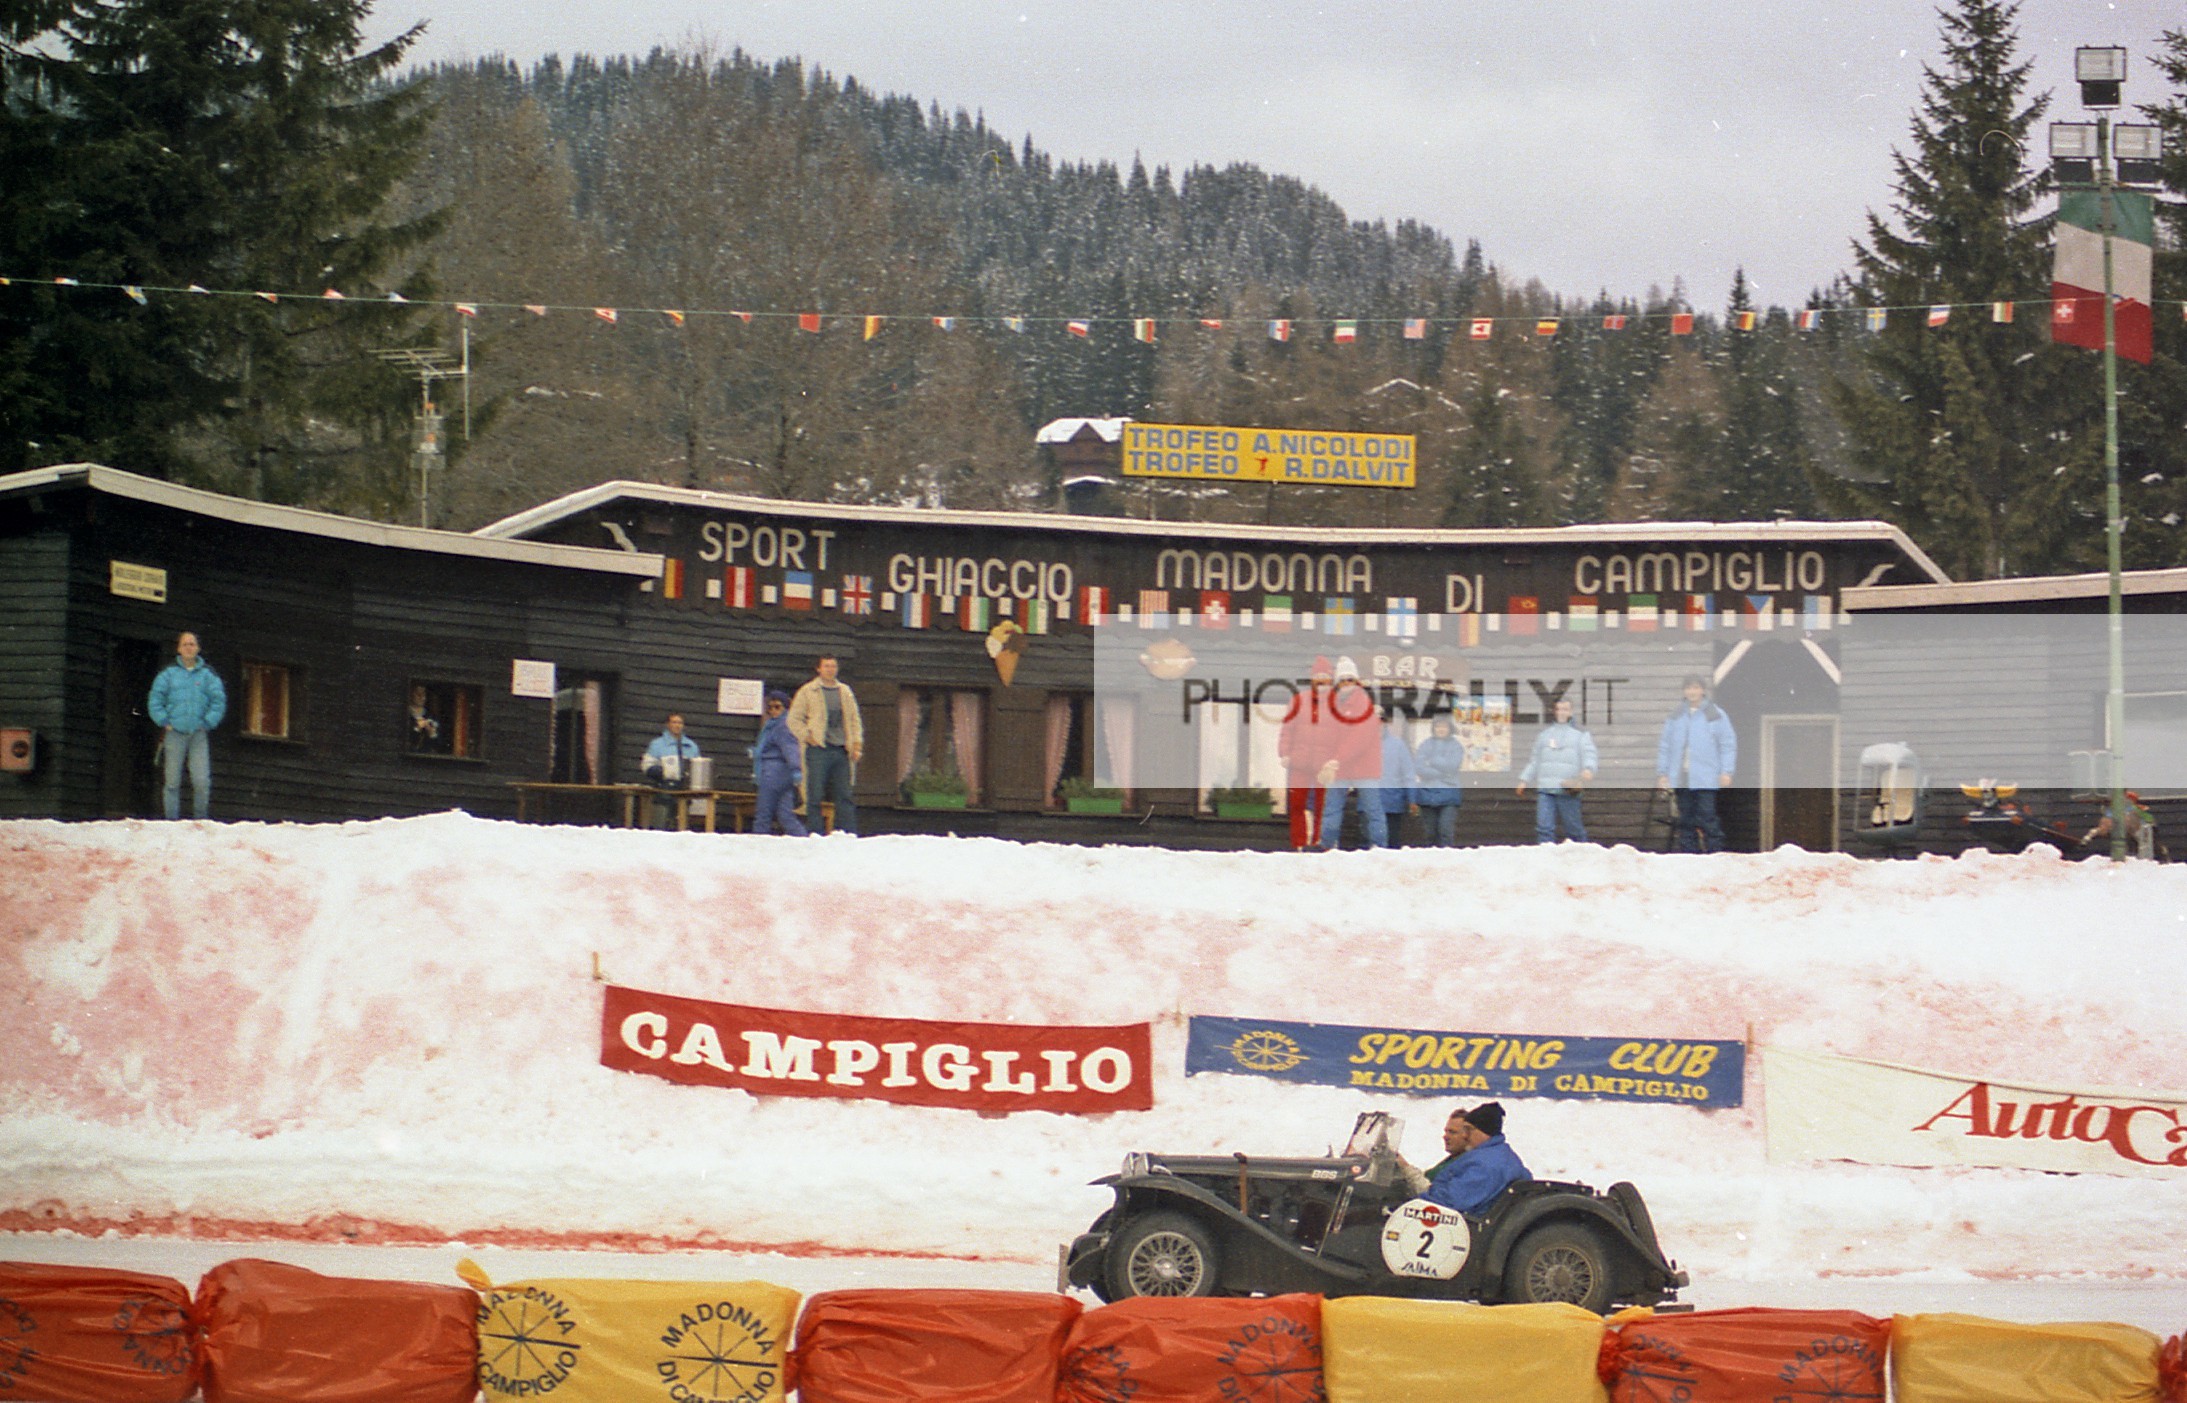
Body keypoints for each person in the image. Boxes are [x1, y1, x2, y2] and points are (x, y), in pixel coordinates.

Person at [1397, 1102, 1532, 1215]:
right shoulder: (1495, 1155)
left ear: (1483, 1131)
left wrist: (1410, 1202)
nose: (1465, 1136)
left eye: (1469, 1129)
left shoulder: (1486, 1164)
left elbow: (1449, 1202)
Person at [147, 630, 226, 820]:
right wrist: (164, 721)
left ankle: (200, 821)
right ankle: (171, 822)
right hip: (174, 734)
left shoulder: (208, 676)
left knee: (201, 781)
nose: (189, 648)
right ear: (178, 649)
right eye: (185, 644)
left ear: (198, 648)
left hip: (198, 735)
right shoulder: (168, 675)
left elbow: (218, 700)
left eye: (192, 644)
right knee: (172, 781)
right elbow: (155, 699)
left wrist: (208, 722)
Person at [1656, 675, 1736, 853]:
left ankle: (1716, 856)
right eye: (1688, 688)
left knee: (1707, 817)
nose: (1692, 692)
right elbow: (1665, 745)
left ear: (1703, 690)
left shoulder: (1715, 714)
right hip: (1682, 776)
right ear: (1684, 691)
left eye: (1695, 688)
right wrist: (1663, 774)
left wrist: (1726, 771)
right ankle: (1689, 858)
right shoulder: (1675, 715)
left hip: (1706, 776)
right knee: (1685, 820)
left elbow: (1727, 744)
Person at [1313, 658, 1384, 850]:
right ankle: (1327, 844)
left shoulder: (1365, 705)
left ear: (1357, 681)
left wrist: (1336, 759)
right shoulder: (1333, 707)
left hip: (1364, 767)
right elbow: (1328, 738)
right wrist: (1325, 762)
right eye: (1342, 680)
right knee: (1331, 808)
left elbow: (1359, 739)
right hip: (1340, 767)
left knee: (1372, 809)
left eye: (1350, 679)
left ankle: (1379, 846)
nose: (1346, 684)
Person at [788, 654, 862, 834]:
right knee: (814, 793)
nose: (831, 670)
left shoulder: (844, 691)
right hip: (818, 748)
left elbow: (854, 719)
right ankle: (815, 832)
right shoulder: (808, 691)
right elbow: (793, 719)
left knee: (844, 794)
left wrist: (857, 743)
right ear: (819, 669)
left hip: (841, 748)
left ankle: (847, 833)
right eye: (827, 666)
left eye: (833, 666)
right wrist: (807, 736)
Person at [1277, 656, 1339, 850]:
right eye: (1318, 676)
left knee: (1322, 805)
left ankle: (1320, 845)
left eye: (1325, 677)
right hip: (1299, 762)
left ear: (1331, 679)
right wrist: (1284, 753)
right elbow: (1287, 729)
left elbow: (1341, 735)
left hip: (1324, 766)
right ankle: (1300, 844)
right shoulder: (1298, 700)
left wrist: (1337, 762)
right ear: (1312, 678)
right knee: (1297, 805)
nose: (1321, 680)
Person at [1517, 696, 1599, 844]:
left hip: (1567, 789)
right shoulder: (1544, 735)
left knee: (1573, 829)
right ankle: (1546, 859)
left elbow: (1589, 753)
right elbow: (1535, 760)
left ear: (1571, 712)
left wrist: (1589, 768)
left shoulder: (1581, 735)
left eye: (1565, 709)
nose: (1561, 712)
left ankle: (1584, 856)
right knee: (1544, 828)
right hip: (1546, 790)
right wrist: (1524, 780)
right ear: (1554, 712)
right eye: (1559, 709)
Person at [750, 691, 808, 836]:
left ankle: (758, 843)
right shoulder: (772, 725)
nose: (773, 711)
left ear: (786, 708)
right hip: (783, 773)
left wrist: (796, 769)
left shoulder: (782, 726)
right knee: (785, 815)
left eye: (777, 707)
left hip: (773, 772)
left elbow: (790, 748)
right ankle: (803, 839)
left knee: (763, 813)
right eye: (770, 707)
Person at [1412, 712, 1466, 847]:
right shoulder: (1425, 744)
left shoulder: (1456, 746)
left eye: (1444, 726)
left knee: (1445, 831)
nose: (1441, 729)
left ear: (1450, 728)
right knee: (1430, 833)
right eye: (1438, 726)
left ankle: (1447, 862)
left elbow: (1452, 766)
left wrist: (1432, 761)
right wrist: (1441, 773)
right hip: (1426, 794)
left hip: (1449, 794)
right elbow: (1419, 767)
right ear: (1433, 728)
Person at [1368, 711, 1419, 848]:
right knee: (1369, 846)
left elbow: (1408, 774)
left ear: (1385, 724)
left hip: (1392, 802)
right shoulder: (1361, 745)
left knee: (1392, 843)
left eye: (1380, 722)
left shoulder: (1398, 745)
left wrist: (1412, 799)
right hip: (1368, 804)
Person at [643, 713, 703, 826]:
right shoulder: (657, 744)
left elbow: (697, 767)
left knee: (683, 823)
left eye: (680, 722)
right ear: (668, 725)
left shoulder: (691, 746)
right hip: (664, 788)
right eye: (674, 722)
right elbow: (647, 766)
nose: (677, 725)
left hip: (686, 790)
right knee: (662, 822)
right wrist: (662, 773)